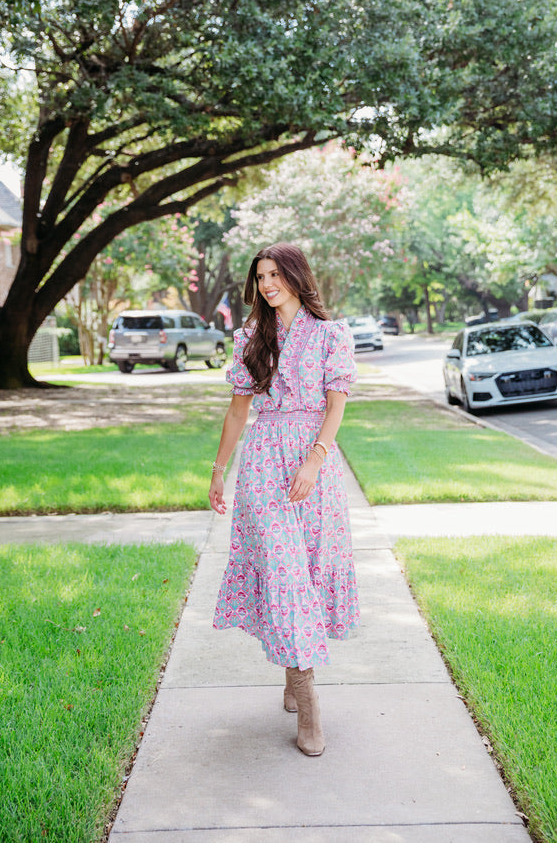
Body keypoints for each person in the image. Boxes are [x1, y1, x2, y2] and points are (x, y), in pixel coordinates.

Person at [208, 242, 360, 757]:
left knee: (308, 574)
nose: (267, 283)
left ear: (295, 275)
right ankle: (310, 704)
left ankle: (293, 678)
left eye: (275, 274)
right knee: (284, 573)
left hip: (312, 465)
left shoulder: (330, 335)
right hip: (262, 465)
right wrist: (219, 469)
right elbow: (236, 413)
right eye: (261, 276)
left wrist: (315, 460)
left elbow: (335, 407)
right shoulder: (252, 337)